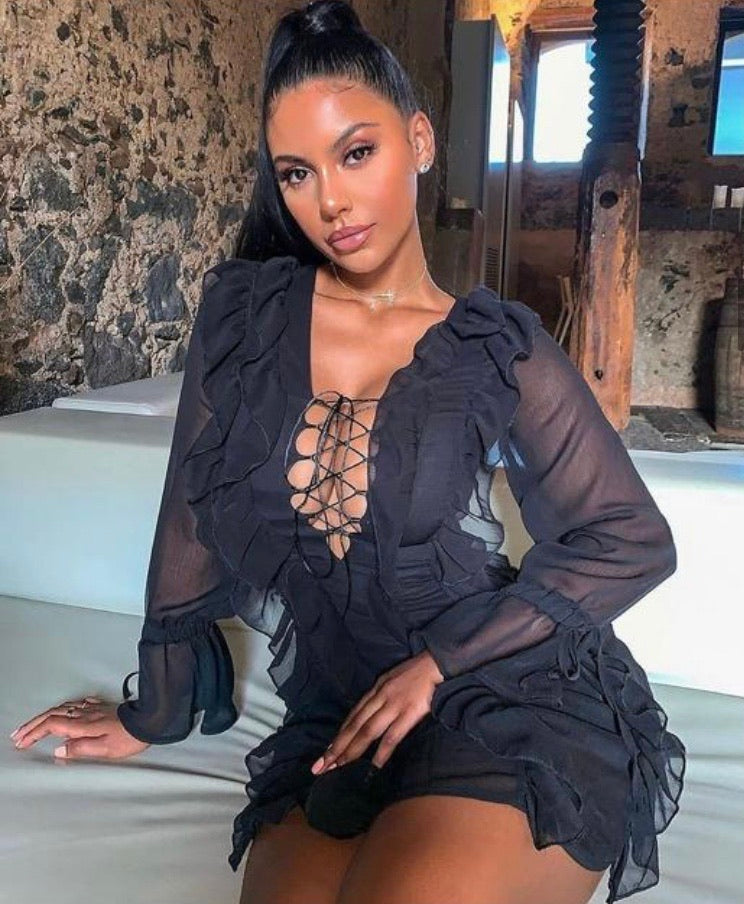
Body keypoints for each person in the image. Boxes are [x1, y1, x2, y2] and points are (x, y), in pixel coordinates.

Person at [10, 3, 686, 903]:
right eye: (297, 172)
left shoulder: (497, 348)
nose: (328, 200)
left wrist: (441, 664)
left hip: (505, 691)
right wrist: (155, 711)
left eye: (356, 153)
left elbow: (632, 539)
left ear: (419, 141)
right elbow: (189, 519)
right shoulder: (244, 318)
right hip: (340, 709)